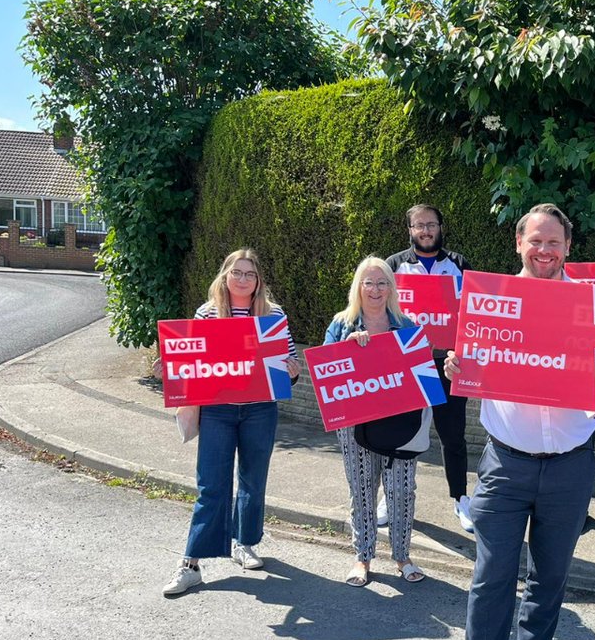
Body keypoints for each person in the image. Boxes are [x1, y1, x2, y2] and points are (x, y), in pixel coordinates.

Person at [432, 203, 595, 640]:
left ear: (568, 246)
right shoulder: (489, 303)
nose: (545, 251)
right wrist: (456, 366)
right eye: (535, 241)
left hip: (570, 467)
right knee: (490, 578)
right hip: (506, 465)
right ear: (519, 243)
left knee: (550, 576)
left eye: (555, 242)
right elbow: (466, 366)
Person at [162, 248, 300, 597]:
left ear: (258, 282)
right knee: (212, 485)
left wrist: (293, 371)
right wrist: (172, 372)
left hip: (259, 410)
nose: (242, 279)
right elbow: (191, 362)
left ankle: (245, 543)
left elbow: (289, 361)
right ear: (225, 276)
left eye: (249, 274)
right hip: (218, 412)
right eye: (236, 273)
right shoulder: (207, 314)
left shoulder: (274, 315)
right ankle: (191, 563)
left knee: (253, 481)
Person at [324, 257, 427, 588]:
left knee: (402, 491)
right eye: (369, 283)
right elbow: (324, 373)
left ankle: (402, 556)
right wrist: (348, 350)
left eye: (382, 283)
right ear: (358, 286)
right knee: (362, 490)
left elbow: (421, 373)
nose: (376, 289)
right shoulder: (341, 325)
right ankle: (362, 557)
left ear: (391, 288)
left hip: (400, 423)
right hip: (356, 425)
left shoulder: (406, 325)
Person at [386, 205, 475, 533]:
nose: (426, 231)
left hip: (447, 363)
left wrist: (463, 351)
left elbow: (472, 313)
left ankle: (460, 498)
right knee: (399, 432)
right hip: (407, 362)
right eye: (419, 226)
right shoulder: (393, 265)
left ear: (440, 226)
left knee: (453, 435)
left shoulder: (459, 264)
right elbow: (383, 311)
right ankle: (392, 496)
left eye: (431, 225)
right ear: (409, 229)